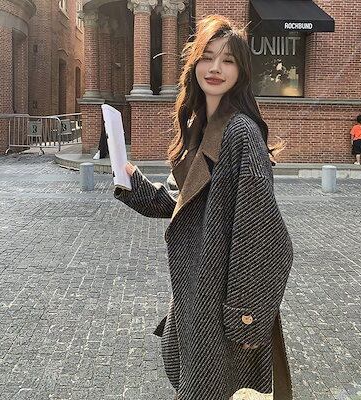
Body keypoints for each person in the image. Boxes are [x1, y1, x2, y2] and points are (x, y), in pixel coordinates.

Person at [114, 15, 294, 400]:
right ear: (193, 64)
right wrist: (135, 185)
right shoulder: (202, 126)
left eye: (227, 60)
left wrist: (246, 317)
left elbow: (265, 237)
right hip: (199, 294)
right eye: (207, 57)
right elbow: (189, 205)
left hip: (224, 303)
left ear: (241, 72)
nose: (215, 68)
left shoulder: (240, 133)